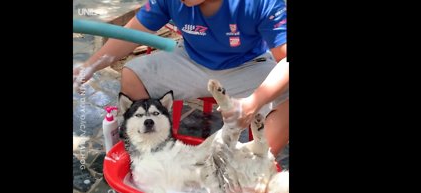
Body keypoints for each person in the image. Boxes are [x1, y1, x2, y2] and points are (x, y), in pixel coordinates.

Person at [73, 0, 288, 157]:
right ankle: (154, 154)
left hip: (247, 65)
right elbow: (130, 34)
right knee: (134, 74)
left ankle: (255, 167)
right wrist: (87, 67)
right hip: (190, 59)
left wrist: (255, 102)